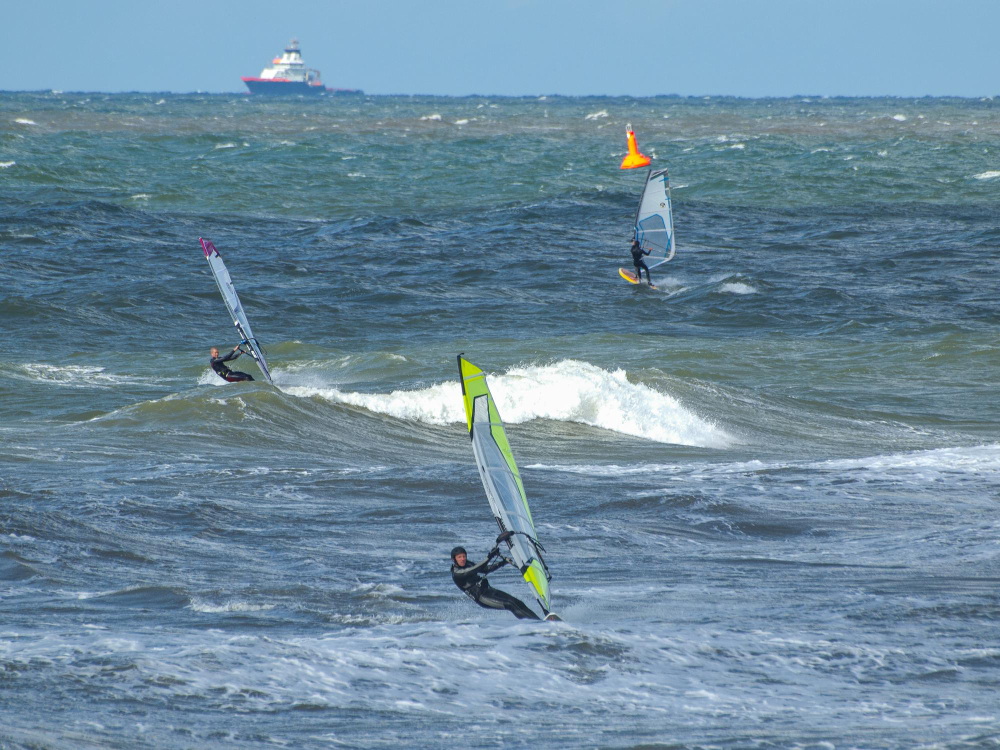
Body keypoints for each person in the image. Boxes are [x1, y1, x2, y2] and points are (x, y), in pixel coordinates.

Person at [450, 542, 540, 620]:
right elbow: (475, 569)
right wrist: (490, 556)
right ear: (454, 559)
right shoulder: (457, 573)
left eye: (464, 556)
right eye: (459, 557)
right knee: (510, 604)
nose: (462, 559)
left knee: (517, 602)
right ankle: (537, 624)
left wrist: (502, 563)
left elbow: (485, 569)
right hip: (482, 597)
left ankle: (540, 621)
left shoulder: (467, 563)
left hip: (490, 590)